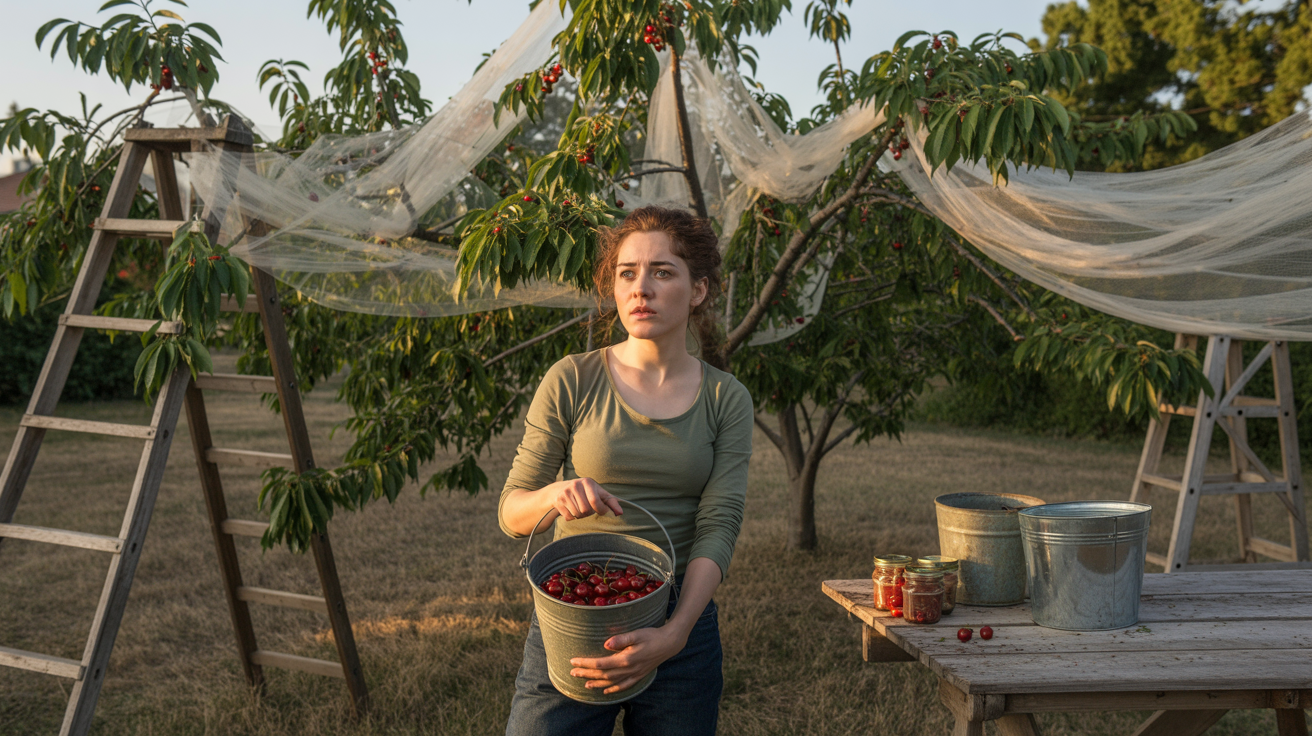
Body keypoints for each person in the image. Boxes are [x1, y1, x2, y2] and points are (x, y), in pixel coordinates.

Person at [499, 205, 754, 736]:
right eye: (627, 273)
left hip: (678, 617)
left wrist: (676, 632)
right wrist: (555, 494)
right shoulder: (572, 378)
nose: (642, 288)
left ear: (699, 290)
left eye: (663, 272)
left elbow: (719, 523)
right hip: (575, 607)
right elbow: (511, 512)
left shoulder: (725, 398)